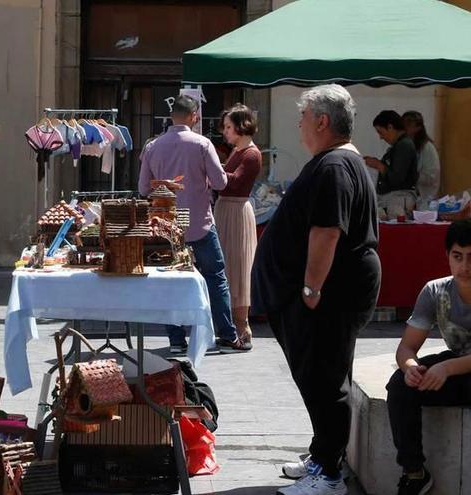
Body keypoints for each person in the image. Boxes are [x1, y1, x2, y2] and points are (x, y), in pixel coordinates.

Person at [252, 84, 380, 495]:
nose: (300, 125)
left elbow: (326, 232)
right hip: (327, 292)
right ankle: (323, 453)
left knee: (325, 379)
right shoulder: (336, 162)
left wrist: (310, 288)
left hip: (328, 294)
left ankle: (328, 474)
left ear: (322, 121)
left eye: (303, 117)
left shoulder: (334, 167)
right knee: (320, 374)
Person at [138, 94, 250, 354]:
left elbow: (144, 188)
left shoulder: (153, 147)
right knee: (215, 277)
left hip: (166, 226)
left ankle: (176, 340)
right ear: (194, 116)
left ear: (171, 116)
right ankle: (226, 335)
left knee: (171, 281)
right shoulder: (202, 144)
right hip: (200, 223)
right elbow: (221, 183)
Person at [385, 218, 471, 495]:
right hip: (459, 370)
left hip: (458, 368)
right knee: (400, 384)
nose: (465, 267)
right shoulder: (435, 291)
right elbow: (406, 348)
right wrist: (411, 368)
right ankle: (414, 472)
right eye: (458, 257)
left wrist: (446, 368)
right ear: (447, 257)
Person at [214, 104, 261, 344]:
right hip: (227, 208)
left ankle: (243, 326)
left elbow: (233, 182)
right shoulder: (237, 150)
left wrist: (213, 167)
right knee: (229, 265)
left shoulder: (251, 153)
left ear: (241, 127)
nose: (225, 132)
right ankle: (233, 325)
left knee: (239, 266)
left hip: (236, 209)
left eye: (229, 127)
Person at [363, 110, 419, 206]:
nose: (381, 137)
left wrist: (378, 165)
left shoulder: (404, 145)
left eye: (381, 132)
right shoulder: (398, 146)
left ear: (390, 127)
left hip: (399, 198)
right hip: (392, 198)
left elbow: (397, 178)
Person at [402, 111, 440, 204]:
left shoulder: (427, 148)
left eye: (408, 125)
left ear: (417, 128)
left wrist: (411, 174)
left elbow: (432, 177)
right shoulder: (405, 144)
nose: (404, 128)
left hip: (424, 198)